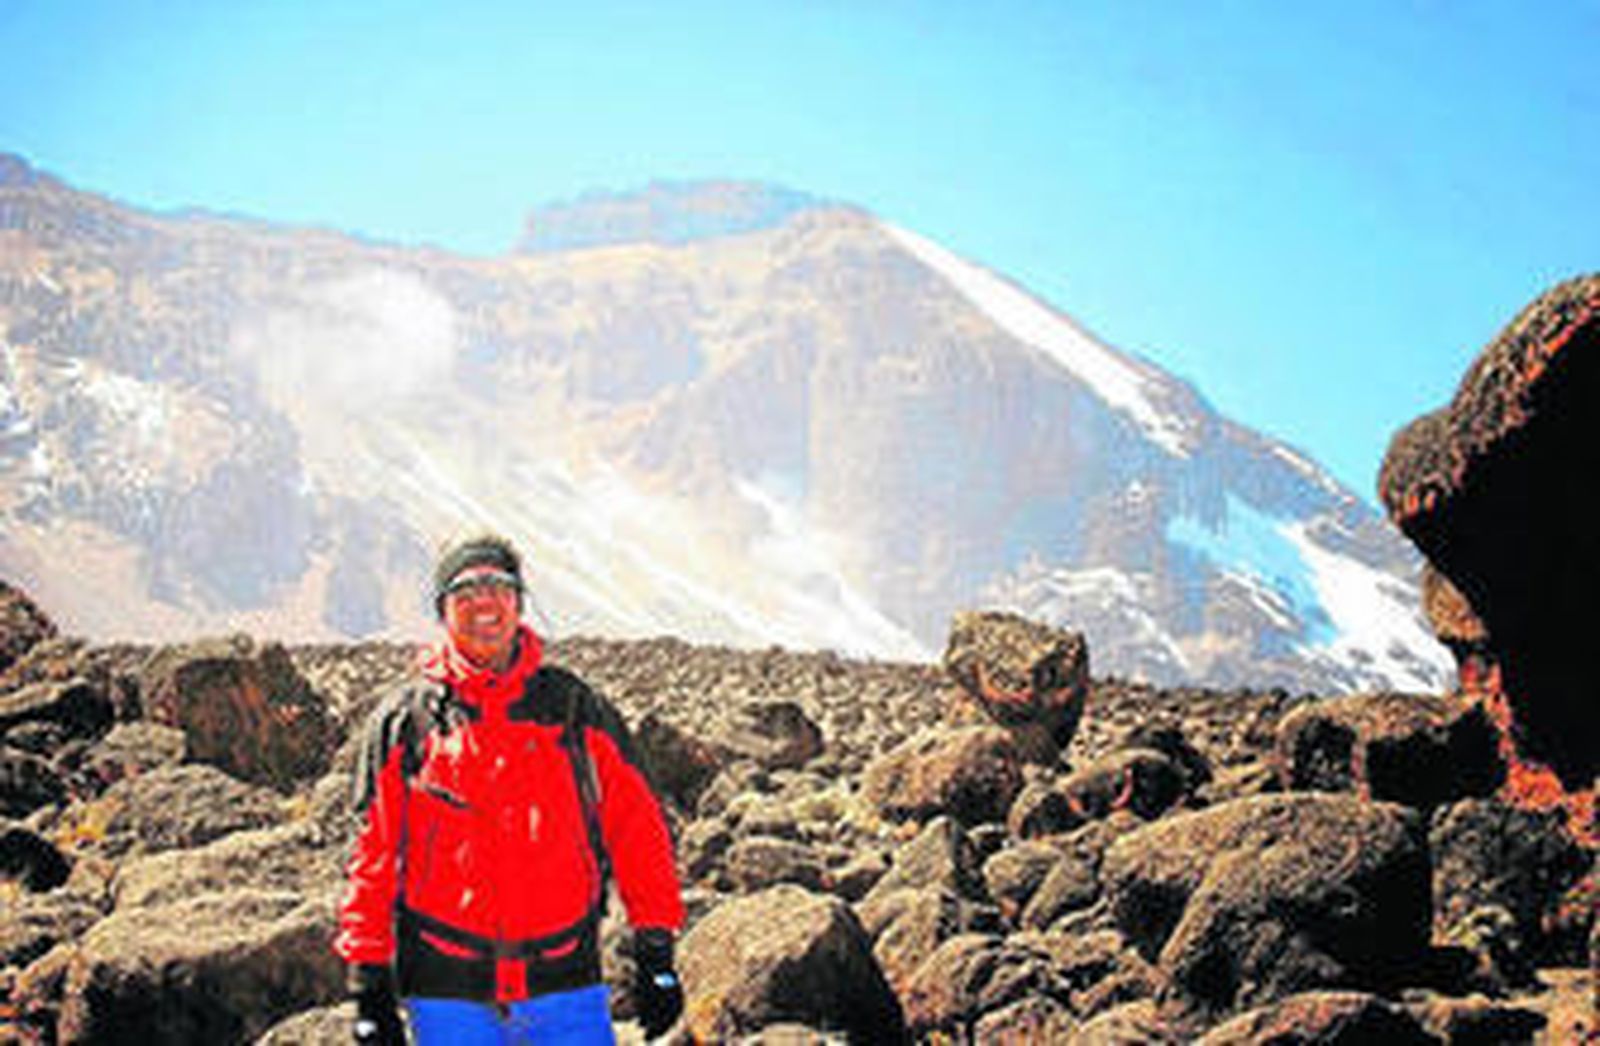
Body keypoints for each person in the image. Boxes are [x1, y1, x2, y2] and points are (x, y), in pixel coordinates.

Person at [334, 534, 686, 1044]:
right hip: (447, 991)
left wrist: (655, 949)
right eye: (464, 590)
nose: (483, 601)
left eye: (498, 585)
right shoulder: (405, 723)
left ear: (519, 602)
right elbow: (373, 854)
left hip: (565, 981)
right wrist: (368, 983)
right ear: (442, 611)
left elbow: (638, 830)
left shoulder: (573, 709)